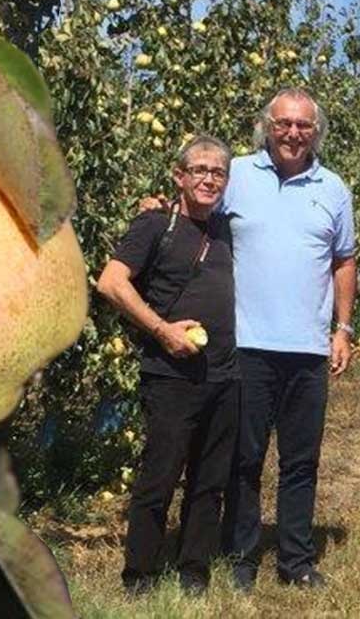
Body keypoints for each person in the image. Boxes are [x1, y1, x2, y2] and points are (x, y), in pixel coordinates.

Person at [219, 88, 357, 591]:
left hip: (307, 348)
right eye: (284, 124)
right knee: (245, 458)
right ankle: (241, 556)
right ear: (267, 127)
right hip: (247, 343)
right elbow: (198, 218)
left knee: (301, 460)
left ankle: (295, 560)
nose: (293, 133)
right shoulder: (236, 174)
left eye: (303, 125)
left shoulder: (334, 188)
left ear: (315, 131)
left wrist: (342, 329)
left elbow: (344, 260)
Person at [97, 135, 239, 596]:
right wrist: (162, 330)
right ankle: (139, 575)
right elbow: (111, 283)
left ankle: (194, 570)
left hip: (224, 373)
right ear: (179, 176)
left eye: (218, 172)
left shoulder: (226, 232)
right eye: (199, 170)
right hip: (170, 375)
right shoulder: (156, 225)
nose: (208, 179)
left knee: (209, 480)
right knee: (159, 477)